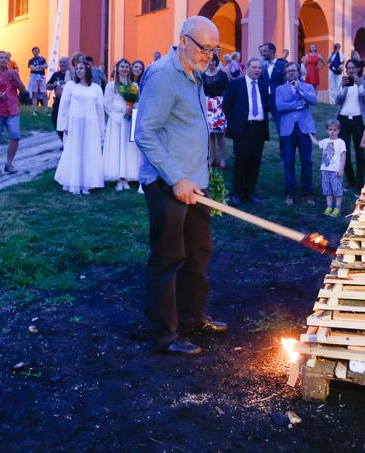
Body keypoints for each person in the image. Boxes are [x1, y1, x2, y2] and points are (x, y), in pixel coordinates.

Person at [135, 16, 227, 356]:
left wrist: (194, 178)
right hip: (167, 185)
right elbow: (145, 132)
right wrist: (176, 178)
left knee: (198, 254)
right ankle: (164, 334)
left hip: (194, 185)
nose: (209, 56)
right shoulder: (162, 76)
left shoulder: (194, 75)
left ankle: (191, 318)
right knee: (168, 258)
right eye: (205, 49)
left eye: (214, 50)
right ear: (184, 41)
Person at [222, 57, 270, 206]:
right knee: (241, 161)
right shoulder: (236, 84)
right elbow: (226, 105)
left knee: (255, 162)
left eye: (259, 68)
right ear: (247, 68)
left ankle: (249, 192)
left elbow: (266, 105)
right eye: (254, 67)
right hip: (243, 129)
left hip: (259, 128)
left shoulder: (263, 86)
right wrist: (236, 121)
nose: (257, 70)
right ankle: (236, 192)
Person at [54, 62, 105, 194]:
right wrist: (64, 125)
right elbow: (64, 106)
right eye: (76, 69)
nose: (78, 70)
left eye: (81, 68)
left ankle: (87, 182)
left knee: (89, 151)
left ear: (87, 70)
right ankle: (74, 181)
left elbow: (100, 110)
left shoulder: (96, 88)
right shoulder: (71, 86)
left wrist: (101, 129)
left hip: (91, 124)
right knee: (75, 150)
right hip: (74, 124)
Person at [275, 62, 318, 206]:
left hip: (305, 129)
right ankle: (290, 193)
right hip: (288, 130)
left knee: (307, 162)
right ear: (285, 74)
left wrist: (299, 89)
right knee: (288, 161)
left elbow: (313, 101)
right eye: (288, 72)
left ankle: (308, 193)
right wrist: (298, 104)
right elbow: (280, 107)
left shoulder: (307, 86)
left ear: (298, 72)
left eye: (293, 71)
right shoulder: (280, 89)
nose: (291, 73)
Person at [0, 50, 27, 177]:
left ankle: (9, 164)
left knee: (15, 136)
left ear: (8, 60)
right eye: (0, 57)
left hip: (12, 110)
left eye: (5, 58)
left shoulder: (13, 73)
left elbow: (22, 89)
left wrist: (13, 78)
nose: (3, 59)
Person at [103, 59, 141, 191]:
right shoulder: (111, 85)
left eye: (126, 66)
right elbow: (107, 103)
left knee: (128, 148)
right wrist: (122, 110)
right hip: (116, 120)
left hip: (129, 120)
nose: (124, 69)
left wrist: (132, 108)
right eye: (122, 66)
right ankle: (119, 178)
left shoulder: (134, 86)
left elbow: (138, 102)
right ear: (117, 68)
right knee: (117, 147)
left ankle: (127, 176)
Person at [335, 58, 365, 190]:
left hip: (359, 121)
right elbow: (337, 101)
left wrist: (359, 85)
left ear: (358, 68)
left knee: (359, 153)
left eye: (353, 68)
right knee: (344, 152)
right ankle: (350, 182)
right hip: (343, 120)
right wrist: (342, 88)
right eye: (348, 68)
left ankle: (359, 183)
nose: (350, 70)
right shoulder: (344, 83)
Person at [311, 118, 346, 217]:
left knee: (337, 190)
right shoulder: (325, 141)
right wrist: (309, 134)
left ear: (338, 130)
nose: (332, 132)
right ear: (327, 130)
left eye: (335, 130)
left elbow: (343, 155)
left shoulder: (340, 142)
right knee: (327, 190)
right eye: (330, 129)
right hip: (325, 170)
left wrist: (341, 169)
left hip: (335, 171)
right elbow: (316, 143)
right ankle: (329, 206)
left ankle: (337, 208)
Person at [259, 42, 286, 161]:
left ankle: (283, 156)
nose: (263, 53)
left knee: (281, 128)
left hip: (278, 102)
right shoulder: (263, 67)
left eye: (265, 51)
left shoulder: (282, 65)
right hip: (265, 101)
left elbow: (286, 82)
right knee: (259, 128)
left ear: (271, 51)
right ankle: (258, 154)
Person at [202, 54, 229, 169]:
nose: (211, 63)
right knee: (210, 135)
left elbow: (228, 90)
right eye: (209, 61)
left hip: (219, 106)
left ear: (216, 62)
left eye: (213, 61)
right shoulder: (203, 76)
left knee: (220, 135)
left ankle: (223, 158)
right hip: (208, 106)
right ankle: (212, 157)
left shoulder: (222, 75)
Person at [47, 56, 70, 142]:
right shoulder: (56, 74)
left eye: (64, 62)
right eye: (61, 62)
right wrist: (54, 85)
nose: (62, 64)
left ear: (69, 63)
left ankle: (68, 142)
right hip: (58, 101)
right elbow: (47, 86)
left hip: (70, 103)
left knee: (68, 122)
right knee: (55, 119)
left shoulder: (72, 74)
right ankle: (63, 140)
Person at [28, 46, 48, 115]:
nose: (35, 52)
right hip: (34, 77)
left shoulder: (42, 59)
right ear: (32, 52)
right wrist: (40, 68)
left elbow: (46, 66)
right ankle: (35, 109)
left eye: (36, 51)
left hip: (41, 77)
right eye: (34, 51)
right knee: (34, 93)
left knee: (44, 93)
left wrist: (38, 68)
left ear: (38, 51)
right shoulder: (31, 60)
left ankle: (46, 110)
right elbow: (32, 68)